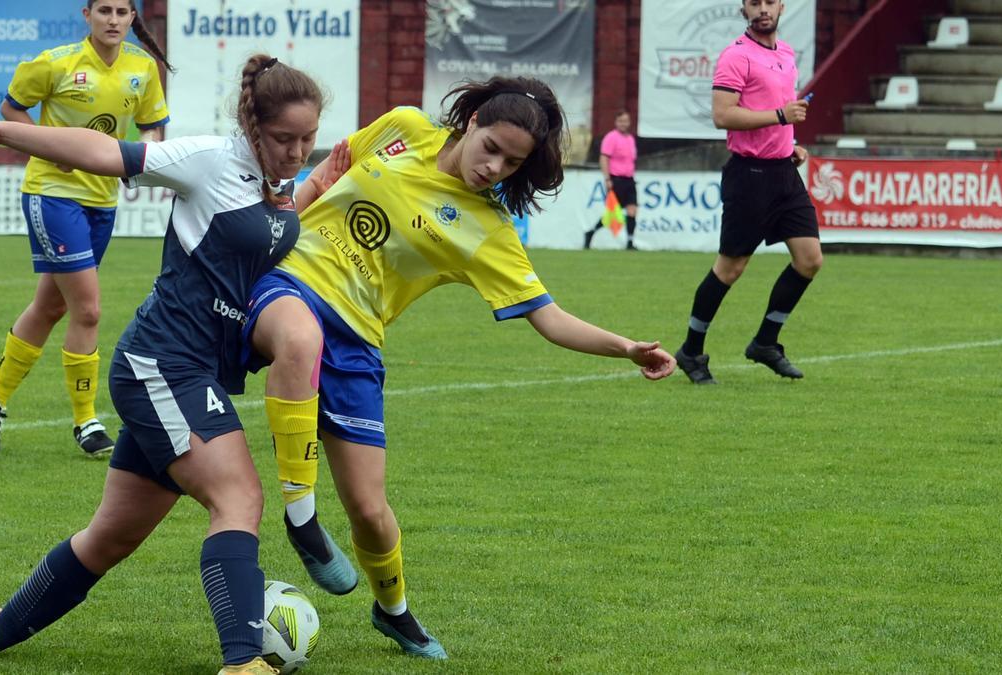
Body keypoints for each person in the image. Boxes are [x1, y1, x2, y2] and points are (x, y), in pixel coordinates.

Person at [0, 54, 344, 675]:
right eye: (284, 139)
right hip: (163, 364)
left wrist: (315, 184)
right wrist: (1, 130)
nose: (296, 151)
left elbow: (263, 231)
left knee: (110, 538)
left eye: (308, 139)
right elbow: (102, 152)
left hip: (192, 370)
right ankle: (243, 663)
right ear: (254, 128)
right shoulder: (210, 160)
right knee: (239, 498)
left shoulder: (275, 184)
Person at [242, 76, 677, 660]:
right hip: (288, 281)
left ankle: (393, 611)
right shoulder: (402, 127)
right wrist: (281, 216)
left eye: (512, 162)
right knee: (299, 340)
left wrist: (627, 348)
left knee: (371, 512)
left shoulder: (486, 229)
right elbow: (327, 177)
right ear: (470, 123)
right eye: (491, 146)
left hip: (359, 339)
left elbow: (549, 318)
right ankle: (301, 517)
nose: (495, 166)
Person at [0, 0, 174, 457]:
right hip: (53, 193)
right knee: (88, 310)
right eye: (104, 10)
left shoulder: (142, 68)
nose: (114, 20)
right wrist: (50, 152)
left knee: (50, 307)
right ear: (87, 15)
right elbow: (11, 109)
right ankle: (86, 422)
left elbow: (153, 128)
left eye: (123, 12)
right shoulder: (55, 63)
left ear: (131, 18)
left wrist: (140, 158)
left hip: (103, 199)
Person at [674, 0, 823, 385]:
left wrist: (789, 144)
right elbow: (723, 115)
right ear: (744, 8)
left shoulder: (786, 53)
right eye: (754, 2)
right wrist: (780, 119)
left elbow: (776, 110)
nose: (762, 9)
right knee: (730, 269)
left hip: (783, 173)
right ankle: (691, 352)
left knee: (809, 260)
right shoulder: (735, 56)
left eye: (769, 2)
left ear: (781, 7)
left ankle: (765, 343)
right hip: (749, 175)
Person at [582, 110, 639, 250]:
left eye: (626, 121)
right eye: (621, 121)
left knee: (632, 210)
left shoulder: (631, 139)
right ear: (616, 122)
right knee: (612, 215)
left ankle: (630, 243)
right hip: (616, 179)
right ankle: (590, 233)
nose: (623, 124)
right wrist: (607, 178)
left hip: (629, 179)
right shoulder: (611, 138)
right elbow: (604, 158)